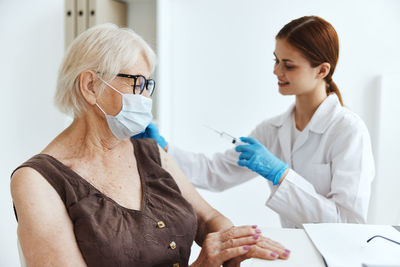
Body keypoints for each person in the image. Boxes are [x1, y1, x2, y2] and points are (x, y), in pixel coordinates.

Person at [10, 24, 290, 267]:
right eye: (137, 83)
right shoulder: (37, 181)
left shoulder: (149, 152)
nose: (145, 97)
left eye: (148, 85)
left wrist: (232, 243)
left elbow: (208, 219)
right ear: (91, 86)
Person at [136, 16, 375, 228]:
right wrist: (163, 149)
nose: (276, 71)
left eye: (288, 65)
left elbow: (350, 223)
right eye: (276, 60)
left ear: (322, 70)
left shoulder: (348, 131)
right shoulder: (272, 130)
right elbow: (214, 173)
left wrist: (282, 176)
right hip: (296, 250)